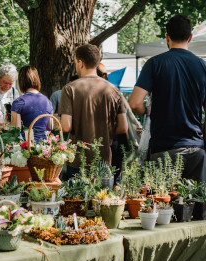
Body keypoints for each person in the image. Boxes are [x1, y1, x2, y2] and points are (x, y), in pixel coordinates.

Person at [129, 14, 206, 182]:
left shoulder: (155, 64)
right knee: (196, 204)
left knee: (162, 202)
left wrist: (147, 111)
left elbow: (135, 103)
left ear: (167, 37)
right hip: (195, 149)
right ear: (190, 37)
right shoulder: (202, 66)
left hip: (163, 148)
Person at [59, 44, 128, 178]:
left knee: (76, 198)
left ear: (80, 63)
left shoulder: (70, 89)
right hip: (104, 160)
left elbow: (66, 126)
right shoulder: (114, 90)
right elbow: (123, 127)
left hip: (78, 161)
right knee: (102, 198)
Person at [11, 66, 53, 143]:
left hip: (27, 146)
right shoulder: (47, 101)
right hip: (44, 147)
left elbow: (16, 131)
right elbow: (50, 127)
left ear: (21, 81)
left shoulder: (19, 102)